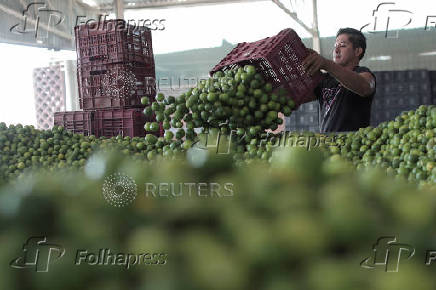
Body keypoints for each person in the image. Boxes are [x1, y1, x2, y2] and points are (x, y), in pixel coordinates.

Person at [302, 27, 376, 133]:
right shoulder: (325, 80)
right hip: (327, 145)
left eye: (342, 45)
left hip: (354, 145)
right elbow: (297, 97)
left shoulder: (363, 73)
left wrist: (326, 64)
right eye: (335, 46)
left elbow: (365, 87)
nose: (336, 50)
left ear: (357, 51)